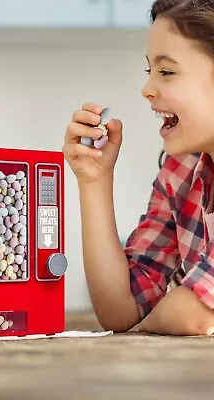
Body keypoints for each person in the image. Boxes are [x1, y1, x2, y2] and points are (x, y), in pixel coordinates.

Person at [63, 0, 214, 336]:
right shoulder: (181, 174)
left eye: (167, 72)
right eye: (150, 72)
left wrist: (150, 324)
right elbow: (120, 310)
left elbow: (197, 315)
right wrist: (95, 180)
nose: (147, 90)